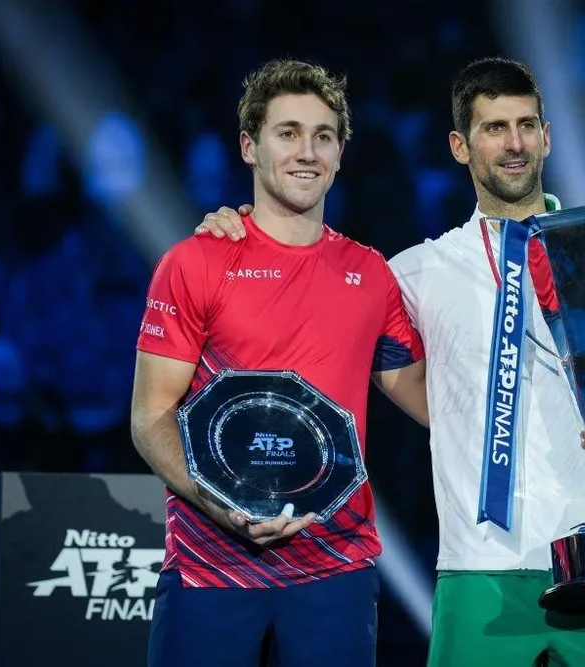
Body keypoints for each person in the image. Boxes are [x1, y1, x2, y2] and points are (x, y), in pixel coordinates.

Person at [194, 57, 585, 667]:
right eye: (494, 128)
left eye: (527, 124)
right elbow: (307, 302)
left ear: (548, 137)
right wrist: (241, 230)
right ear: (460, 146)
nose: (515, 143)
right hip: (479, 574)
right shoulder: (418, 272)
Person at [131, 58, 427, 667]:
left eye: (324, 136)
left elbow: (426, 398)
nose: (307, 151)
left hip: (335, 568)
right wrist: (219, 504)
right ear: (249, 146)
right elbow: (150, 414)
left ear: (341, 153)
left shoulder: (371, 275)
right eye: (287, 132)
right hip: (211, 565)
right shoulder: (195, 263)